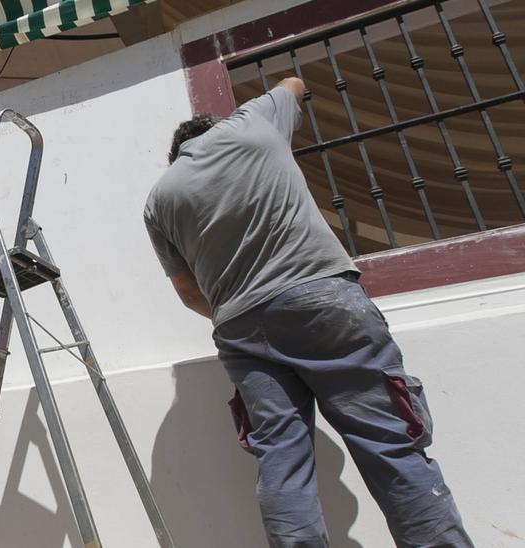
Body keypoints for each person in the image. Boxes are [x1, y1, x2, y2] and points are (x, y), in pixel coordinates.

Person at [143, 77, 471, 547]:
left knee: (281, 460)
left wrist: (235, 308)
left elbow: (187, 291)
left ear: (176, 156)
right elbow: (295, 84)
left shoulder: (160, 198)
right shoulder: (252, 123)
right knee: (389, 446)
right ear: (215, 128)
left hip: (239, 327)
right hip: (322, 299)